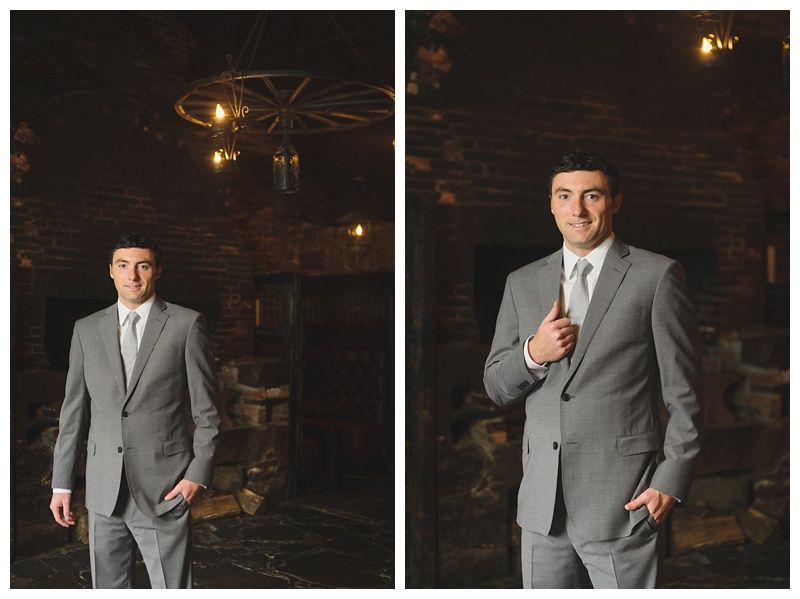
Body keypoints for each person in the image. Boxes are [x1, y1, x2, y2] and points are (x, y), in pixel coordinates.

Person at [483, 151, 702, 588]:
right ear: (550, 203)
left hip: (624, 501)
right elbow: (495, 386)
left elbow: (685, 394)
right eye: (564, 196)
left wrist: (670, 481)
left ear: (615, 202)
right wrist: (533, 353)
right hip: (542, 505)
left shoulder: (656, 276)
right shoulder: (521, 282)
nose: (577, 210)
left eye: (591, 195)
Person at [50, 233, 221, 589]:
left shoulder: (186, 324)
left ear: (157, 271)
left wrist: (196, 476)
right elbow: (73, 415)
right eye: (123, 266)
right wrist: (62, 483)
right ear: (110, 271)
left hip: (165, 487)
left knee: (171, 588)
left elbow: (208, 412)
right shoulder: (85, 330)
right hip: (103, 489)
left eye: (142, 266)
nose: (133, 275)